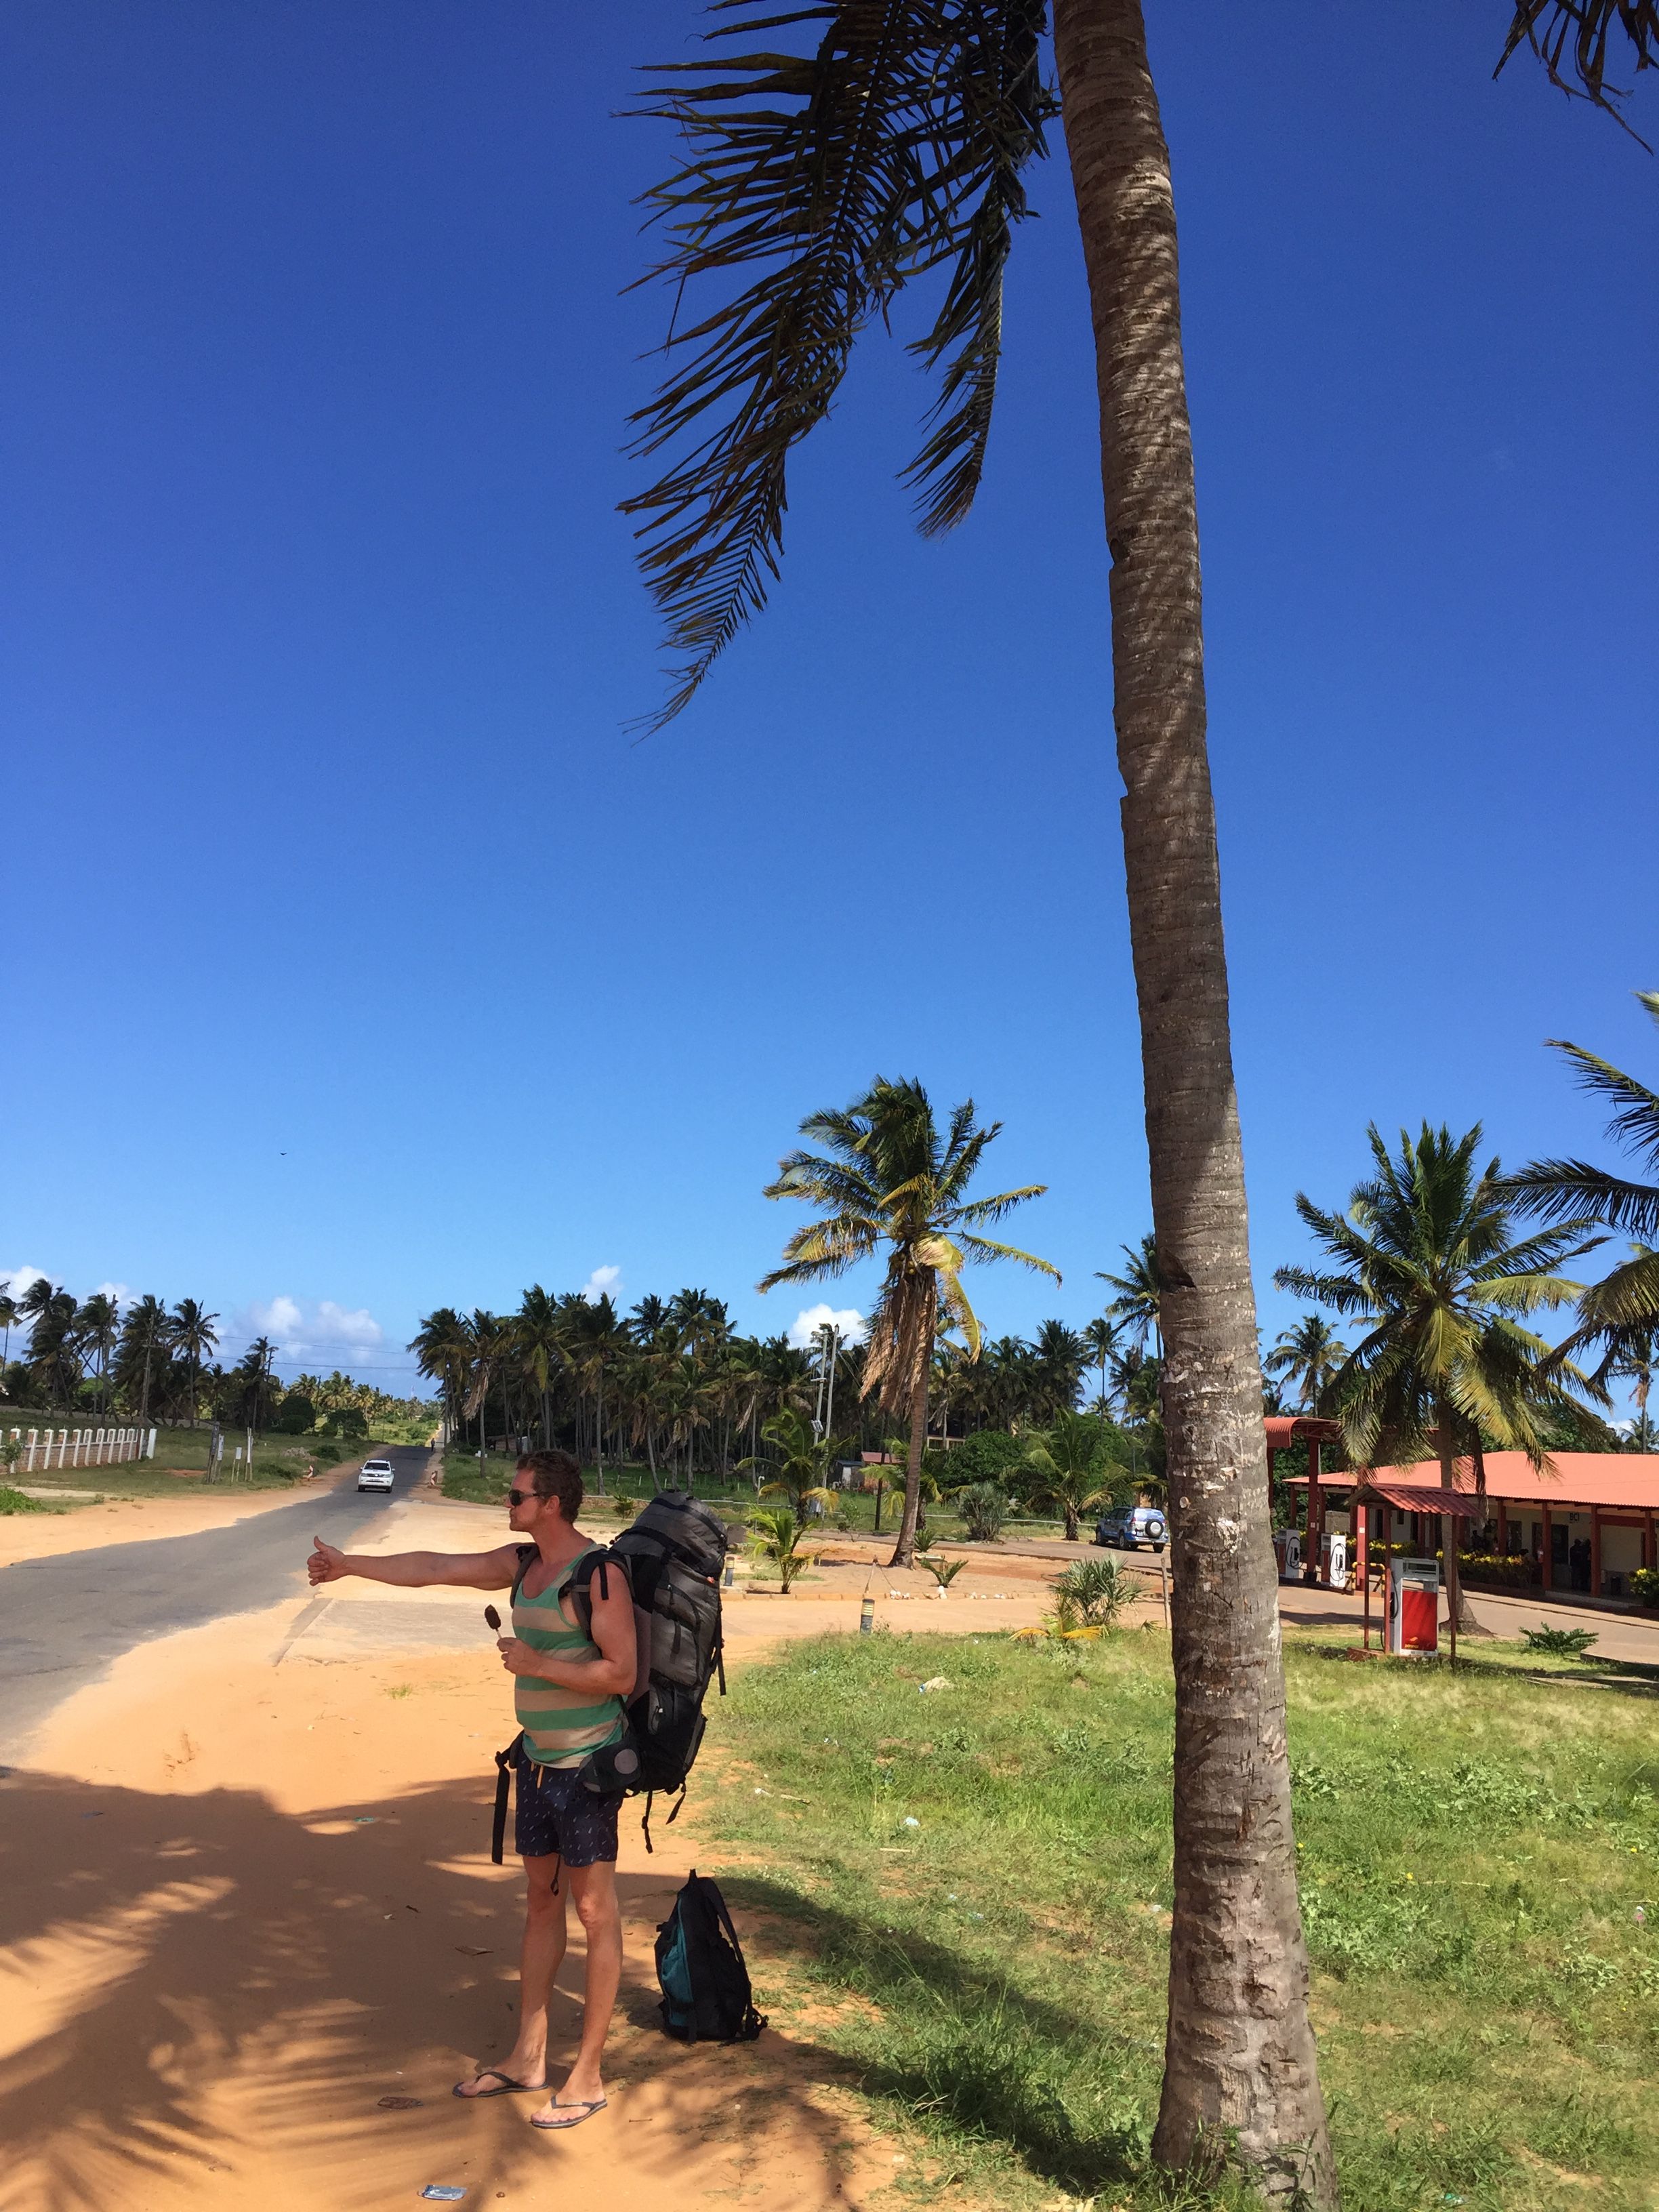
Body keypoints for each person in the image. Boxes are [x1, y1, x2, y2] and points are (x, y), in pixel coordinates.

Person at [306, 1446, 635, 2130]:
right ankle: (529, 2057)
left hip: (586, 1769)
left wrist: (537, 1661)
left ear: (550, 1504)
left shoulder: (599, 1575)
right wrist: (348, 1564)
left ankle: (590, 2074)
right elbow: (433, 1568)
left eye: (516, 1497)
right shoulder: (521, 1566)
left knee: (596, 1914)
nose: (507, 1506)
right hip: (538, 1765)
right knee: (541, 1910)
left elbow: (621, 1675)